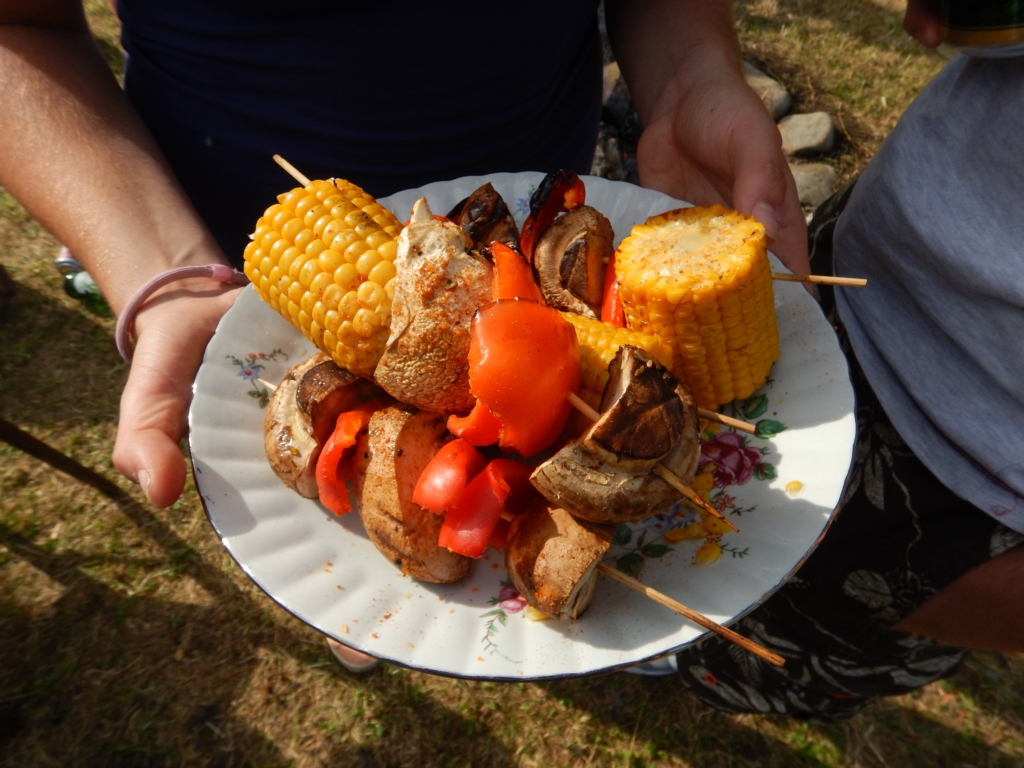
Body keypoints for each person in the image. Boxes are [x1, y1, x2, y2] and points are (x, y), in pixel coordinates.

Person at [0, 0, 807, 671]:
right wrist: (163, 271)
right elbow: (20, 25)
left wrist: (690, 74)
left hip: (526, 191)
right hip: (215, 229)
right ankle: (369, 619)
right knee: (367, 600)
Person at [673, 0, 1024, 718]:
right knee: (686, 507)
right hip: (854, 272)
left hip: (961, 491)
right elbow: (947, 22)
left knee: (797, 635)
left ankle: (711, 673)